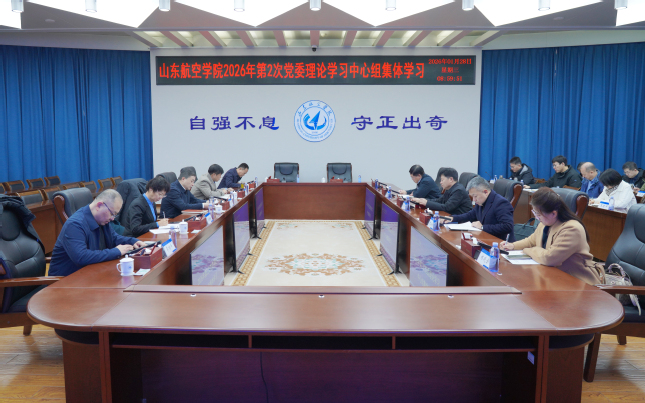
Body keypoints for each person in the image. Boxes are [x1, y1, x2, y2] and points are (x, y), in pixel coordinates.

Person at [500, 187, 603, 285]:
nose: (536, 217)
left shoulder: (571, 229)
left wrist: (528, 250)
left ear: (553, 214)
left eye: (538, 214)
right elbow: (531, 240)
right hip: (553, 275)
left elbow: (549, 258)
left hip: (577, 281)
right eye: (534, 213)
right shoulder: (546, 222)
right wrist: (512, 246)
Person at [49, 190, 146, 277]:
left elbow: (114, 238)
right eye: (112, 213)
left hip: (90, 274)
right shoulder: (74, 224)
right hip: (66, 281)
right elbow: (81, 257)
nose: (113, 218)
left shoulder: (102, 220)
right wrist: (116, 251)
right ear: (99, 206)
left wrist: (133, 241)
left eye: (115, 215)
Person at [444, 176, 515, 241]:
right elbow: (470, 215)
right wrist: (452, 218)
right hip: (484, 238)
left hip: (499, 243)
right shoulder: (481, 201)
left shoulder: (501, 203)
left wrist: (483, 227)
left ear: (485, 192)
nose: (474, 200)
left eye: (475, 196)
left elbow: (507, 226)